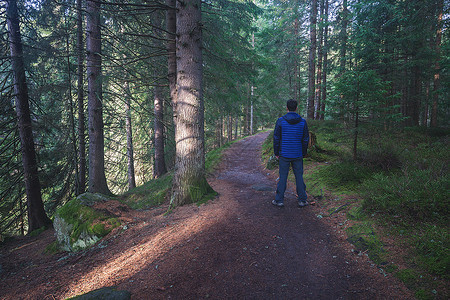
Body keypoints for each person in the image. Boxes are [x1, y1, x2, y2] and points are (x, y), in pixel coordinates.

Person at [272, 99, 309, 208]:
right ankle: (302, 200)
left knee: (283, 176)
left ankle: (279, 200)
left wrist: (276, 152)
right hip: (297, 154)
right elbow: (305, 139)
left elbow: (276, 138)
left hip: (284, 154)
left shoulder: (281, 121)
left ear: (287, 108)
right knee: (299, 177)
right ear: (296, 108)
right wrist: (303, 152)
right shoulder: (302, 122)